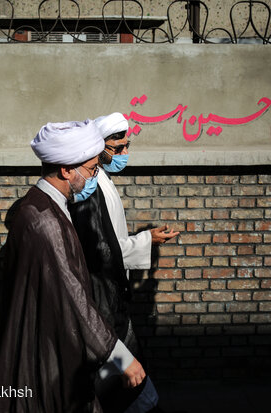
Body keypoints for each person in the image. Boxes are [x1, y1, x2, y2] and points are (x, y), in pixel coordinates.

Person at [0, 119, 147, 413]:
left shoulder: (40, 205)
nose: (93, 176)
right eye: (90, 169)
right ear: (66, 170)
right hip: (46, 353)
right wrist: (121, 357)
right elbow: (73, 298)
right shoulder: (45, 221)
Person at [68, 113, 179, 413]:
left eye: (127, 147)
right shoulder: (90, 188)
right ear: (99, 148)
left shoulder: (101, 180)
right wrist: (146, 242)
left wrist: (145, 239)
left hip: (110, 297)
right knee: (126, 383)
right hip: (103, 299)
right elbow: (102, 251)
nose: (124, 155)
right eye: (118, 149)